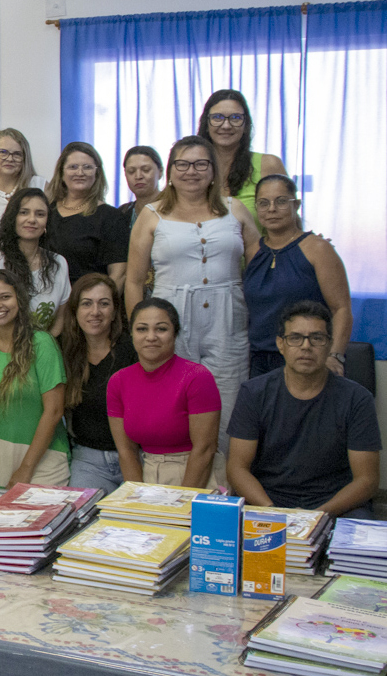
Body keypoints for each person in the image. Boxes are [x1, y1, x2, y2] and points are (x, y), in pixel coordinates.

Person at [125, 135, 258, 462]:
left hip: (228, 321)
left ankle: (225, 489)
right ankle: (176, 487)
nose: (191, 171)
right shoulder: (152, 215)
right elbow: (133, 281)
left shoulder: (234, 209)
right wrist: (140, 333)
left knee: (228, 407)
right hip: (172, 320)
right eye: (182, 164)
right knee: (174, 404)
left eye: (201, 164)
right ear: (170, 170)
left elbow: (261, 267)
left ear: (213, 170)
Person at [228, 301, 381, 516]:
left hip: (334, 503)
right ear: (280, 344)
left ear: (329, 345)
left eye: (316, 338)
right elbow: (237, 469)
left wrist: (316, 516)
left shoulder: (357, 398)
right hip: (269, 500)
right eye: (295, 338)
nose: (306, 346)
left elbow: (367, 480)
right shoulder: (253, 393)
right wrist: (273, 511)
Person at [0, 270, 70, 488]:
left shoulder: (42, 343)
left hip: (41, 464)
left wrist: (25, 469)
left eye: (5, 297)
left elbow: (54, 410)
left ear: (20, 298)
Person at [242, 175, 352, 377]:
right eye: (263, 203)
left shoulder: (318, 249)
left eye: (281, 201)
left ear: (297, 205)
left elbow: (341, 309)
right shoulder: (251, 251)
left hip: (308, 356)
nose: (272, 209)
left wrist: (335, 356)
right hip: (258, 360)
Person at [106, 298, 221, 487]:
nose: (151, 337)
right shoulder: (118, 382)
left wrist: (183, 502)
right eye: (142, 329)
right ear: (132, 334)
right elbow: (126, 451)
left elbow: (205, 449)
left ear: (175, 334)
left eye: (161, 329)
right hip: (148, 473)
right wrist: (137, 498)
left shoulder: (197, 377)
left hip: (197, 475)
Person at [58, 274, 135, 493]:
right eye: (86, 304)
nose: (95, 312)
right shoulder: (64, 352)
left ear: (114, 311)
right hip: (88, 460)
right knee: (79, 518)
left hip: (136, 455)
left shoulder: (132, 351)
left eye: (104, 304)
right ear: (75, 311)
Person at [0, 188, 70, 334]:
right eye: (24, 212)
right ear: (13, 218)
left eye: (40, 214)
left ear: (47, 222)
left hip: (44, 348)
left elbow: (61, 318)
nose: (32, 219)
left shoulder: (59, 263)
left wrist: (43, 347)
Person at [46, 141, 130, 286]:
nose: (80, 173)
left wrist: (101, 305)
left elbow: (119, 275)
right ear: (61, 172)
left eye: (87, 167)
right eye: (73, 167)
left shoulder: (111, 217)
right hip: (48, 302)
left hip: (89, 303)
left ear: (97, 173)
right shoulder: (46, 213)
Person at [197, 89, 286, 223]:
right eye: (217, 117)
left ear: (246, 125)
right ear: (206, 124)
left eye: (236, 118)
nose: (226, 125)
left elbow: (289, 222)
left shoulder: (269, 164)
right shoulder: (190, 169)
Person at [120, 145, 163, 228]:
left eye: (146, 170)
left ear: (160, 172)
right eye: (131, 171)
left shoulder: (175, 208)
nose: (138, 176)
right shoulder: (122, 212)